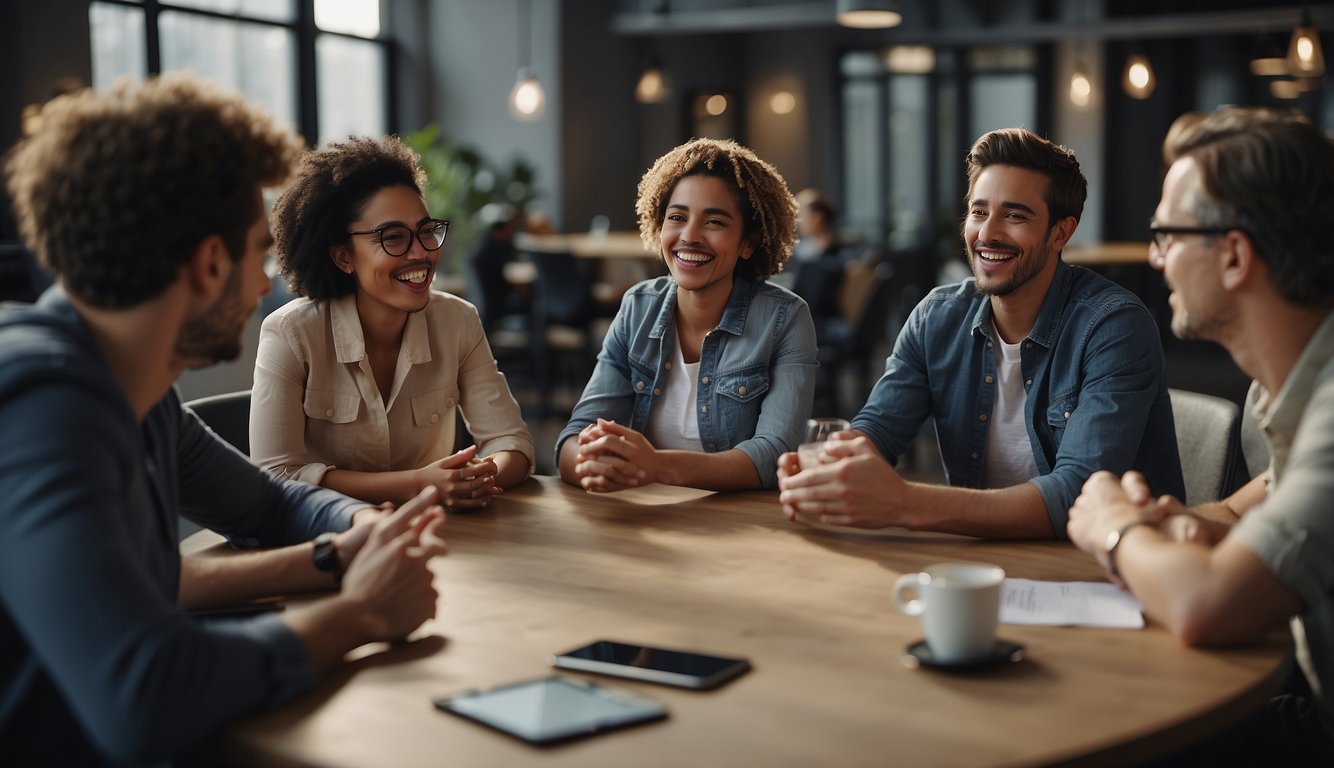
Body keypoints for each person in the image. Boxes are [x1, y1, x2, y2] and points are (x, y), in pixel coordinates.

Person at [0, 74, 447, 765]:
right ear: (211, 263)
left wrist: (356, 536)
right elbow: (146, 694)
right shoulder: (44, 403)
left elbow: (269, 503)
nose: (262, 284)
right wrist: (362, 613)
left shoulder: (133, 393)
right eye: (256, 256)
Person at [1067, 106, 1334, 763]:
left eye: (1166, 236)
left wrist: (1112, 525)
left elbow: (1207, 604)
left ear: (1236, 255)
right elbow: (1261, 501)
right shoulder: (1281, 390)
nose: (1155, 260)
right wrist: (1184, 524)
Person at [778, 127, 1183, 538]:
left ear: (1061, 232)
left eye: (1015, 215)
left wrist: (903, 503)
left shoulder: (1113, 327)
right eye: (978, 211)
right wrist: (834, 462)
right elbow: (880, 429)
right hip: (980, 560)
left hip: (1104, 571)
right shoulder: (936, 317)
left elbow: (1077, 496)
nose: (987, 234)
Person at [251, 136, 534, 509]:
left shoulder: (458, 321)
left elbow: (512, 443)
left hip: (437, 538)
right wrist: (419, 485)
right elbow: (276, 477)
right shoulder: (291, 334)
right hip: (326, 544)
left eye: (427, 231)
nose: (421, 253)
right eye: (394, 237)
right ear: (343, 257)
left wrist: (475, 479)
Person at [557, 138, 817, 491]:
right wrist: (593, 466)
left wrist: (655, 466)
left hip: (742, 526)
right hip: (646, 518)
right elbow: (575, 438)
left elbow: (774, 456)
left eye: (715, 222)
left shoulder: (785, 319)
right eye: (677, 217)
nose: (690, 237)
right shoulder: (637, 308)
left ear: (748, 243)